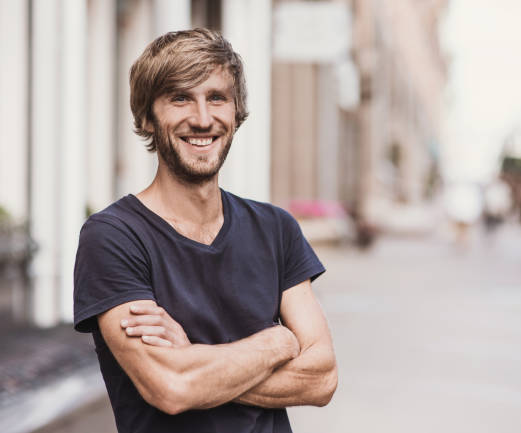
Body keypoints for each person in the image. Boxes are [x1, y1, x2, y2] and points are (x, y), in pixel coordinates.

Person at [73, 28, 337, 433]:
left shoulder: (275, 229)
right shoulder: (112, 237)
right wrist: (276, 343)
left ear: (236, 112)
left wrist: (195, 359)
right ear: (147, 115)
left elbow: (321, 379)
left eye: (217, 98)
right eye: (180, 98)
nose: (201, 118)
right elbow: (172, 387)